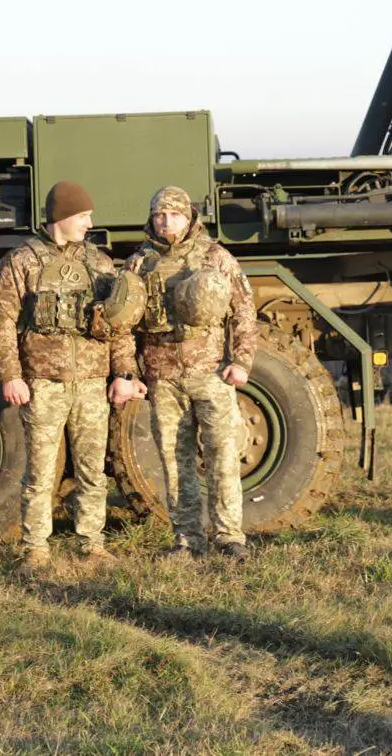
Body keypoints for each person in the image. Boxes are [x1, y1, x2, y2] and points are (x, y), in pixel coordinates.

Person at [0, 181, 141, 571]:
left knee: (92, 470)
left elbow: (119, 324)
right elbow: (2, 323)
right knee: (40, 472)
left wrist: (123, 373)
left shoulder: (99, 263)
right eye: (83, 216)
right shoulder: (22, 261)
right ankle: (36, 549)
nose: (89, 223)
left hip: (91, 382)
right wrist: (11, 374)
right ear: (62, 216)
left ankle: (93, 544)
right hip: (43, 383)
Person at [124, 185, 257, 560]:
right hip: (163, 377)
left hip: (210, 373)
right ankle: (187, 539)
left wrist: (241, 361)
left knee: (223, 457)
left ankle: (229, 537)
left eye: (174, 215)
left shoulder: (215, 257)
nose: (166, 222)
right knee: (174, 462)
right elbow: (123, 325)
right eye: (159, 215)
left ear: (189, 217)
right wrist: (131, 372)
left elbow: (244, 311)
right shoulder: (139, 263)